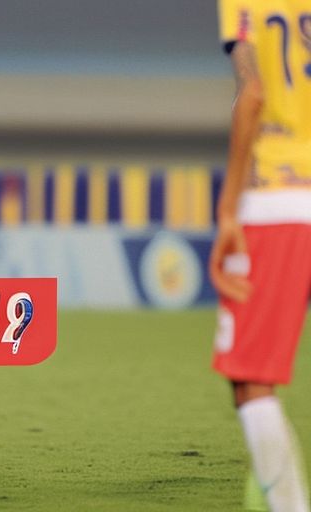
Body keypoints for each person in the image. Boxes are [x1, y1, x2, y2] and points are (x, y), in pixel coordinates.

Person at [211, 1, 311, 510]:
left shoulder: (248, 4)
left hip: (281, 199)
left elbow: (252, 93)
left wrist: (229, 207)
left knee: (251, 379)